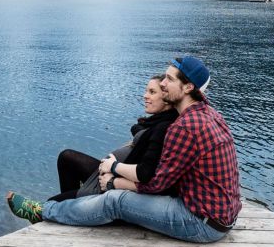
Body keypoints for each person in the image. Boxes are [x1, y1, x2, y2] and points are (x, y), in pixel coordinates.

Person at [6, 56, 241, 243]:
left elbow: (154, 183)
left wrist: (113, 180)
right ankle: (59, 213)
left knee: (115, 201)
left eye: (169, 79)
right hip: (219, 215)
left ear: (188, 87)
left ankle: (42, 211)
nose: (162, 83)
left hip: (200, 222)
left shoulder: (185, 126)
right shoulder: (208, 113)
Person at [50, 75, 179, 202]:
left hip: (113, 183)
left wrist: (113, 168)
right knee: (66, 158)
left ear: (167, 98)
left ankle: (71, 206)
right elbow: (138, 128)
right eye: (146, 91)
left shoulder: (163, 128)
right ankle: (71, 208)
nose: (145, 96)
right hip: (111, 176)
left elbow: (145, 173)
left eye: (152, 92)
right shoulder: (156, 123)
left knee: (52, 203)